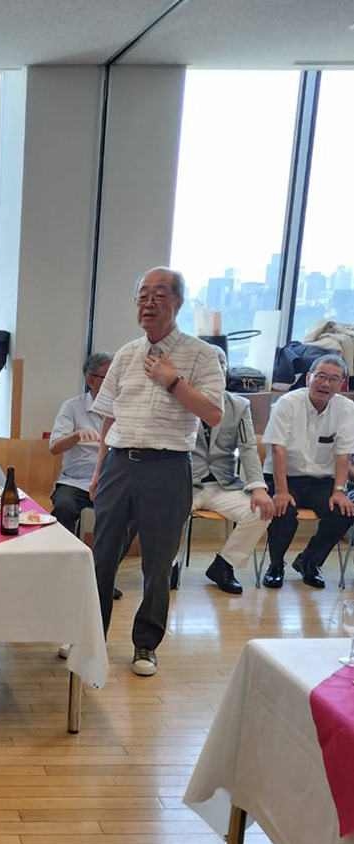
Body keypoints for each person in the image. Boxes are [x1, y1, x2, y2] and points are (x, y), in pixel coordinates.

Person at [89, 267, 225, 676]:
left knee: (157, 563)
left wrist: (172, 380)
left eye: (159, 295)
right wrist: (98, 472)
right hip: (118, 464)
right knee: (101, 557)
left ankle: (145, 644)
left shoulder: (202, 355)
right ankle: (91, 636)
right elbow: (108, 418)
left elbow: (214, 414)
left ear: (178, 302)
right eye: (143, 295)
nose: (149, 303)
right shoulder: (126, 354)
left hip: (167, 468)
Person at [261, 353, 354, 588]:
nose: (326, 383)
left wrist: (339, 490)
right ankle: (275, 565)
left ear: (341, 384)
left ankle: (309, 561)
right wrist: (281, 491)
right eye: (320, 376)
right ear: (308, 378)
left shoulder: (346, 409)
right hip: (283, 477)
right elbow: (278, 449)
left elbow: (343, 453)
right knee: (283, 510)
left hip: (321, 480)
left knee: (344, 511)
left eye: (334, 379)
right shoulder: (287, 403)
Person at [186, 352, 274, 595]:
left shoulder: (239, 405)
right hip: (185, 484)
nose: (215, 371)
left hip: (223, 485)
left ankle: (224, 565)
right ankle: (167, 568)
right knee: (166, 513)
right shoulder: (180, 400)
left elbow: (248, 448)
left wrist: (258, 487)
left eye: (221, 366)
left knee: (262, 511)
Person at [50, 351, 124, 604]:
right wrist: (76, 436)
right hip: (76, 480)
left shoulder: (124, 407)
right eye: (109, 377)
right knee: (63, 507)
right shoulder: (72, 407)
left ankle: (101, 577)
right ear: (90, 380)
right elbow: (54, 447)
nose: (115, 382)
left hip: (111, 482)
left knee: (125, 516)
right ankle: (64, 574)